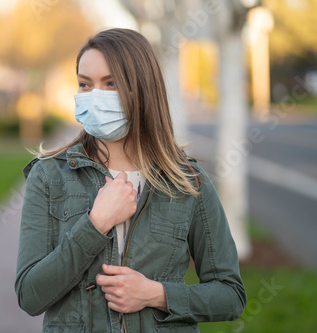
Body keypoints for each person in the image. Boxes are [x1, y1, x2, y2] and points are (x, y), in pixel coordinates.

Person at [15, 28, 246, 333]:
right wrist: (95, 224)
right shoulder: (48, 175)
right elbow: (30, 296)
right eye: (85, 84)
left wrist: (156, 294)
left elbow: (230, 296)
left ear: (142, 88)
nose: (94, 96)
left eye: (110, 83)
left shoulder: (187, 181)